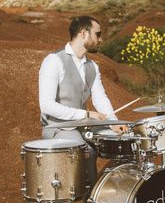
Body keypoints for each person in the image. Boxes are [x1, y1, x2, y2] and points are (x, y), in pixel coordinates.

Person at [39, 15, 126, 191]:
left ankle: (111, 194)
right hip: (57, 126)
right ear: (83, 33)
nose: (100, 39)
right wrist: (85, 114)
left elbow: (100, 98)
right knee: (87, 150)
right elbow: (46, 105)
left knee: (124, 141)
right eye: (98, 34)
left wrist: (113, 122)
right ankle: (85, 199)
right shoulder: (53, 61)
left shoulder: (92, 67)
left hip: (82, 124)